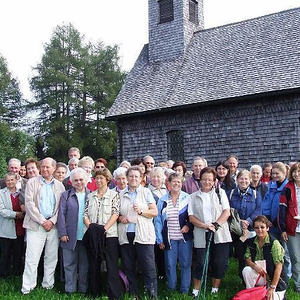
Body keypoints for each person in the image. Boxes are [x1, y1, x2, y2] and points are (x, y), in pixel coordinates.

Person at [21, 157, 65, 295]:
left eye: (48, 167)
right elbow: (29, 204)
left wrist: (51, 221)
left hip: (53, 226)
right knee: (32, 258)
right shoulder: (32, 183)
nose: (45, 169)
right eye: (43, 166)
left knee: (51, 257)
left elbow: (61, 208)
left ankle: (48, 284)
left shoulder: (60, 186)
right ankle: (27, 287)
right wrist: (42, 221)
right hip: (36, 225)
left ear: (53, 169)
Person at [188, 167, 232, 296]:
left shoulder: (221, 193)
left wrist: (215, 224)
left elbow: (226, 211)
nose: (207, 182)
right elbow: (191, 217)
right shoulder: (193, 197)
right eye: (204, 179)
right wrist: (204, 225)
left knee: (219, 262)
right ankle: (196, 290)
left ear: (214, 181)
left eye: (210, 180)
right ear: (200, 180)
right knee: (200, 263)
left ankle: (214, 289)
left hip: (220, 233)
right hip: (201, 232)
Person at [118, 166, 158, 298]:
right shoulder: (121, 194)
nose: (133, 178)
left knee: (148, 266)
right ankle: (132, 293)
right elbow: (116, 214)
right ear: (127, 178)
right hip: (126, 234)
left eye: (136, 176)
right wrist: (120, 218)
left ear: (141, 179)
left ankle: (151, 294)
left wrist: (141, 211)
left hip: (143, 234)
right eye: (131, 176)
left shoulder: (146, 192)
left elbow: (154, 212)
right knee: (128, 266)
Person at [84, 168, 122, 299]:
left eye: (102, 178)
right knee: (94, 264)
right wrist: (93, 229)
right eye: (97, 178)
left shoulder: (114, 195)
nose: (99, 180)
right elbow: (85, 215)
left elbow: (115, 213)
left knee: (111, 266)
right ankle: (94, 293)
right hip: (94, 235)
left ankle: (114, 294)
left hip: (109, 235)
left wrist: (103, 229)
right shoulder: (90, 195)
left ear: (107, 180)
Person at [155, 173, 193, 294]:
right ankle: (171, 289)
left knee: (185, 264)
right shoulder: (163, 200)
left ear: (181, 184)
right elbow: (158, 221)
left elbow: (193, 216)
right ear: (169, 184)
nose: (176, 184)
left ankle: (184, 290)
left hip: (185, 238)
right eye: (174, 182)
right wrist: (159, 239)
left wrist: (188, 226)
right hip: (169, 239)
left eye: (179, 182)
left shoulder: (188, 198)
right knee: (170, 265)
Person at [57, 168, 90, 295]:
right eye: (76, 180)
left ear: (86, 180)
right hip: (69, 236)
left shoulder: (91, 194)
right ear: (71, 182)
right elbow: (61, 215)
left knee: (84, 266)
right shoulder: (66, 195)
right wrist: (62, 233)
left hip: (86, 236)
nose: (79, 182)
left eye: (81, 179)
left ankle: (83, 290)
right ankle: (70, 290)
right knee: (69, 264)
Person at [242, 215, 286, 300]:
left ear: (267, 228)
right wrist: (254, 266)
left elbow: (279, 267)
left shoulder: (274, 243)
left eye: (262, 227)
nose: (260, 230)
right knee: (246, 270)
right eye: (256, 228)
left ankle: (272, 291)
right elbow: (247, 258)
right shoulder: (251, 242)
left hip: (274, 280)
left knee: (270, 298)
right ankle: (251, 293)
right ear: (254, 229)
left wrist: (272, 288)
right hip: (261, 275)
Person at [229, 169, 262, 277]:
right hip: (236, 230)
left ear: (250, 180)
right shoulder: (231, 194)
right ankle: (242, 276)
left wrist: (248, 221)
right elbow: (227, 209)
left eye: (246, 179)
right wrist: (239, 221)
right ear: (237, 180)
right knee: (240, 254)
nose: (244, 181)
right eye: (241, 178)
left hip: (251, 230)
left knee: (251, 254)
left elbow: (258, 210)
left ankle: (252, 277)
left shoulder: (256, 194)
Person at [279, 162, 300, 293]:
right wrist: (283, 229)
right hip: (293, 229)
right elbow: (281, 211)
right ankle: (298, 285)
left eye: (299, 171)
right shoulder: (287, 188)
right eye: (295, 171)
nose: (297, 174)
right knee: (296, 259)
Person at [0, 173, 25, 277]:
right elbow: (2, 210)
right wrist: (16, 214)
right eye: (8, 180)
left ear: (16, 180)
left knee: (18, 252)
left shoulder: (21, 193)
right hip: (6, 228)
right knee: (5, 253)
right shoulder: (1, 193)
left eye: (12, 180)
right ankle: (3, 274)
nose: (10, 182)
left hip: (19, 227)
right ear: (5, 182)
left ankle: (16, 273)